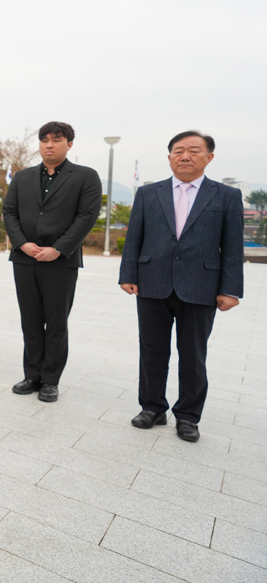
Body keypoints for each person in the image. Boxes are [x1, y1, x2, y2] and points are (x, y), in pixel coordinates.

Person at [119, 130, 243, 443]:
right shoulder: (149, 193)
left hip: (201, 285)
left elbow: (232, 245)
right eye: (178, 150)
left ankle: (188, 416)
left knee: (193, 355)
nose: (185, 156)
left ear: (209, 157)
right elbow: (135, 236)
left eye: (193, 150)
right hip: (152, 283)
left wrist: (230, 289)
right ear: (170, 156)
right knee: (151, 351)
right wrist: (128, 274)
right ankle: (152, 407)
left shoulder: (225, 196)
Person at [3, 122, 102, 403]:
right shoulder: (22, 177)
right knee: (30, 321)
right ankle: (31, 375)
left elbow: (86, 216)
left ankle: (50, 380)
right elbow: (9, 212)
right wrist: (22, 243)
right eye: (44, 140)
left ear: (69, 144)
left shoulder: (85, 177)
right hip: (25, 259)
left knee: (56, 322)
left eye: (56, 140)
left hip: (61, 261)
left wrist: (58, 249)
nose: (49, 144)